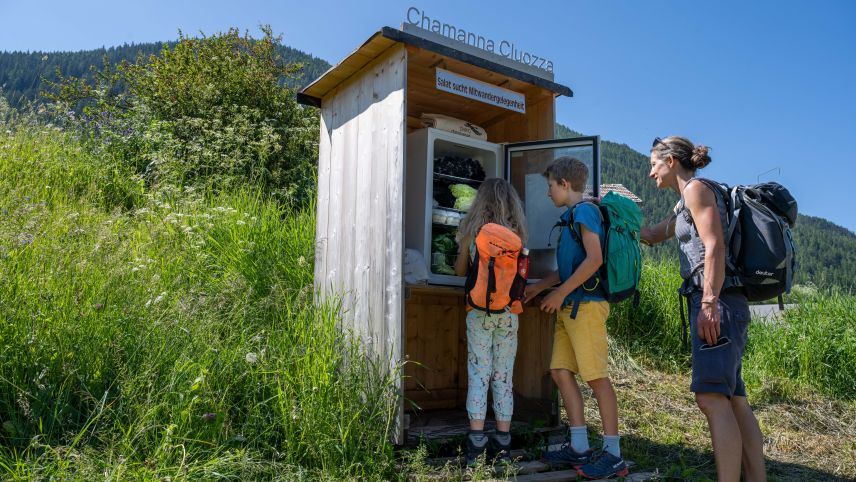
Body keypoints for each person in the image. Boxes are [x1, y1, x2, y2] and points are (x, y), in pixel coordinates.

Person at [641, 136, 766, 482]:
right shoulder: (683, 204)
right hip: (726, 302)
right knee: (734, 399)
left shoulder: (696, 190)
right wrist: (612, 208)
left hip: (718, 301)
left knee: (711, 398)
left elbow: (715, 246)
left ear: (671, 161)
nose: (651, 173)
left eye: (654, 164)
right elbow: (652, 234)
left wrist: (708, 303)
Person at [524, 157, 628, 479]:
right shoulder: (571, 217)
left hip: (586, 307)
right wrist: (539, 287)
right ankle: (580, 445)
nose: (548, 192)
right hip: (570, 307)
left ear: (565, 185)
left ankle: (613, 455)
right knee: (559, 371)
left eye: (550, 185)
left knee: (596, 377)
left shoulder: (584, 212)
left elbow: (594, 260)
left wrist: (558, 293)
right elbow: (568, 267)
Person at [453, 178, 528, 466]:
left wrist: (464, 249)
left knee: (479, 374)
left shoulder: (473, 232)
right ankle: (503, 447)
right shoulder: (516, 234)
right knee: (503, 377)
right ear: (512, 204)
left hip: (478, 314)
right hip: (508, 314)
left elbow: (461, 271)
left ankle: (475, 447)